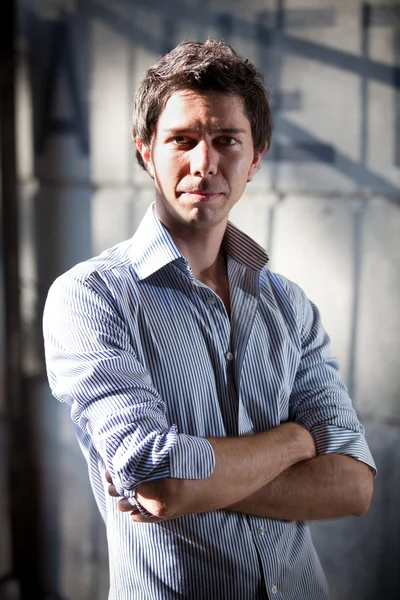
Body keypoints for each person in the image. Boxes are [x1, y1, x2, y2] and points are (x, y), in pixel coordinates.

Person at [43, 38, 376, 600]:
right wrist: (298, 442)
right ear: (146, 150)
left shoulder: (287, 306)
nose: (205, 163)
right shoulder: (92, 297)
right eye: (181, 140)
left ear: (257, 154)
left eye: (226, 140)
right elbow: (162, 482)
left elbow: (351, 487)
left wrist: (202, 484)